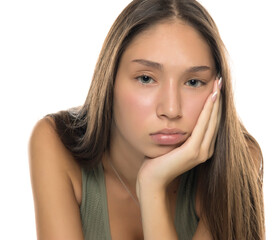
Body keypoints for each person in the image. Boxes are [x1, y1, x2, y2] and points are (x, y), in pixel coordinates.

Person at [29, 0, 265, 239]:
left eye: (193, 82)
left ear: (217, 90)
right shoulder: (56, 143)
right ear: (109, 80)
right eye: (146, 78)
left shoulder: (238, 162)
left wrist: (152, 187)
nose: (171, 109)